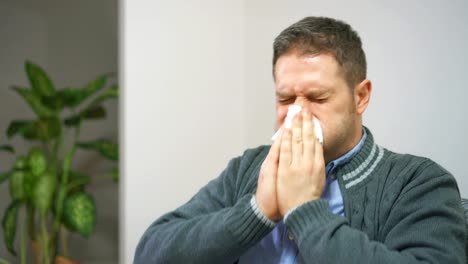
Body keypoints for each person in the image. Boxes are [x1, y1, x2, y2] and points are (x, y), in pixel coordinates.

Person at [134, 16, 466, 263]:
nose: (297, 115)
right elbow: (150, 252)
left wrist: (304, 209)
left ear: (360, 96)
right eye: (285, 98)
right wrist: (257, 211)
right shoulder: (248, 168)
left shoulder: (416, 182)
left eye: (317, 98)